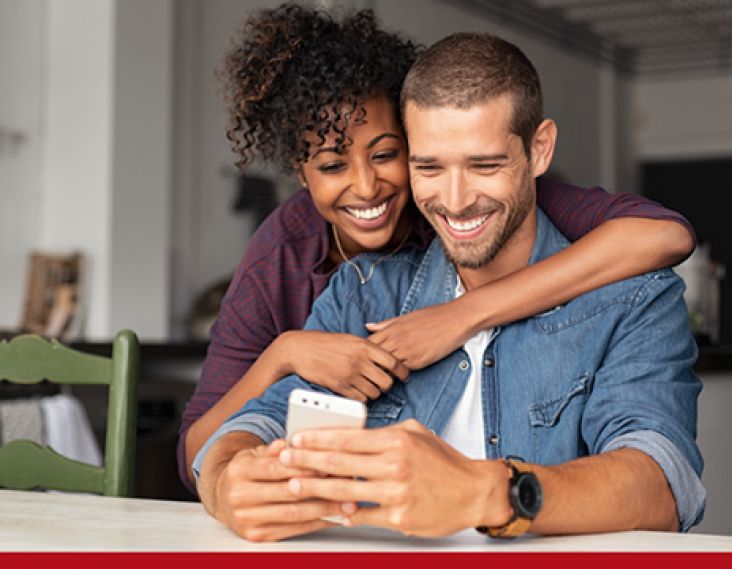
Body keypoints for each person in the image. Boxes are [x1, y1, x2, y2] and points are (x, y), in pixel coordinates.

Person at [193, 31, 705, 542]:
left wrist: (488, 492)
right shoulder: (362, 292)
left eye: (485, 165)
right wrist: (226, 483)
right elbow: (247, 428)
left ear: (539, 149)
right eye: (429, 167)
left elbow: (660, 483)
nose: (456, 201)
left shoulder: (634, 299)